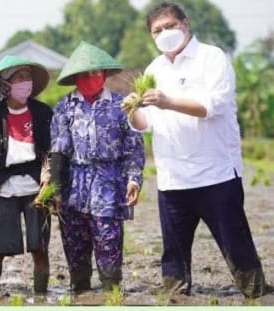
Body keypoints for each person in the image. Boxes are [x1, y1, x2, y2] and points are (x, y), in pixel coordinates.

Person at [126, 1, 268, 298]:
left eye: (170, 26)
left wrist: (167, 101)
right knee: (174, 259)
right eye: (157, 30)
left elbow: (212, 107)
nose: (165, 33)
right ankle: (176, 293)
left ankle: (256, 292)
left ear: (185, 24)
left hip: (216, 174)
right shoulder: (154, 69)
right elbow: (145, 124)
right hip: (173, 178)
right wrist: (131, 110)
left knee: (236, 245)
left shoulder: (211, 58)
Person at [49, 41, 145, 292]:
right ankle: (79, 291)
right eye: (85, 73)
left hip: (108, 184)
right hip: (74, 185)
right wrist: (56, 191)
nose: (91, 77)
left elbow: (133, 148)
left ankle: (111, 292)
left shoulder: (121, 105)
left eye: (96, 72)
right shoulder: (64, 107)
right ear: (76, 77)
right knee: (75, 247)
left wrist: (134, 179)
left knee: (109, 241)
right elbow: (58, 151)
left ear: (104, 74)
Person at [0, 55, 53, 294]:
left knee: (39, 248)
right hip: (4, 188)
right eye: (20, 78)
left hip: (36, 188)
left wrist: (48, 184)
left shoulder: (42, 112)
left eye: (28, 77)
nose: (25, 82)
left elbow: (50, 151)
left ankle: (41, 295)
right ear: (6, 84)